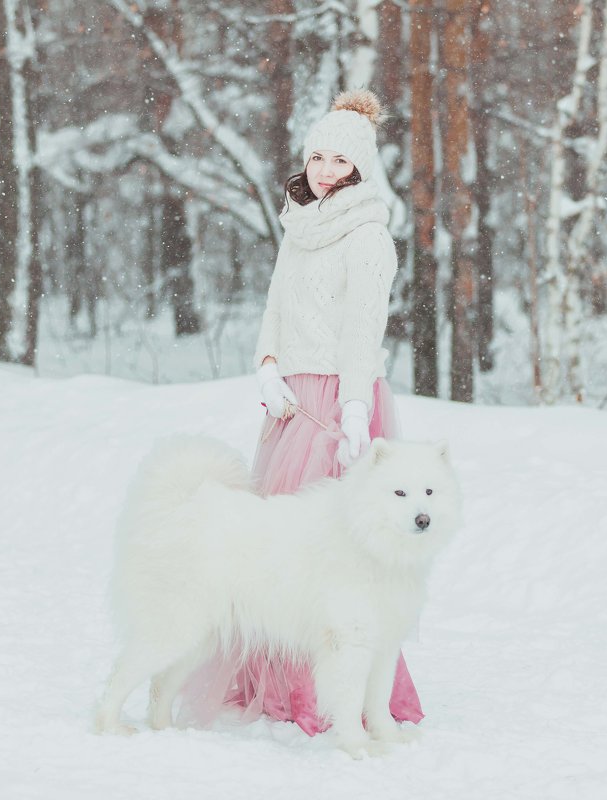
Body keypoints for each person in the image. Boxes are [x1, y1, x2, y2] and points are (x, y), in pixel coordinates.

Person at [186, 88, 424, 736]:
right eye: (316, 155)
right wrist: (267, 367)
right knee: (271, 550)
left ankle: (332, 695)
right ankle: (270, 681)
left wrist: (353, 415)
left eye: (337, 160)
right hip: (290, 399)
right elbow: (275, 308)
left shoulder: (368, 236)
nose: (323, 169)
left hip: (338, 402)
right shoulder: (300, 224)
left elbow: (362, 333)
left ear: (359, 167)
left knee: (330, 554)